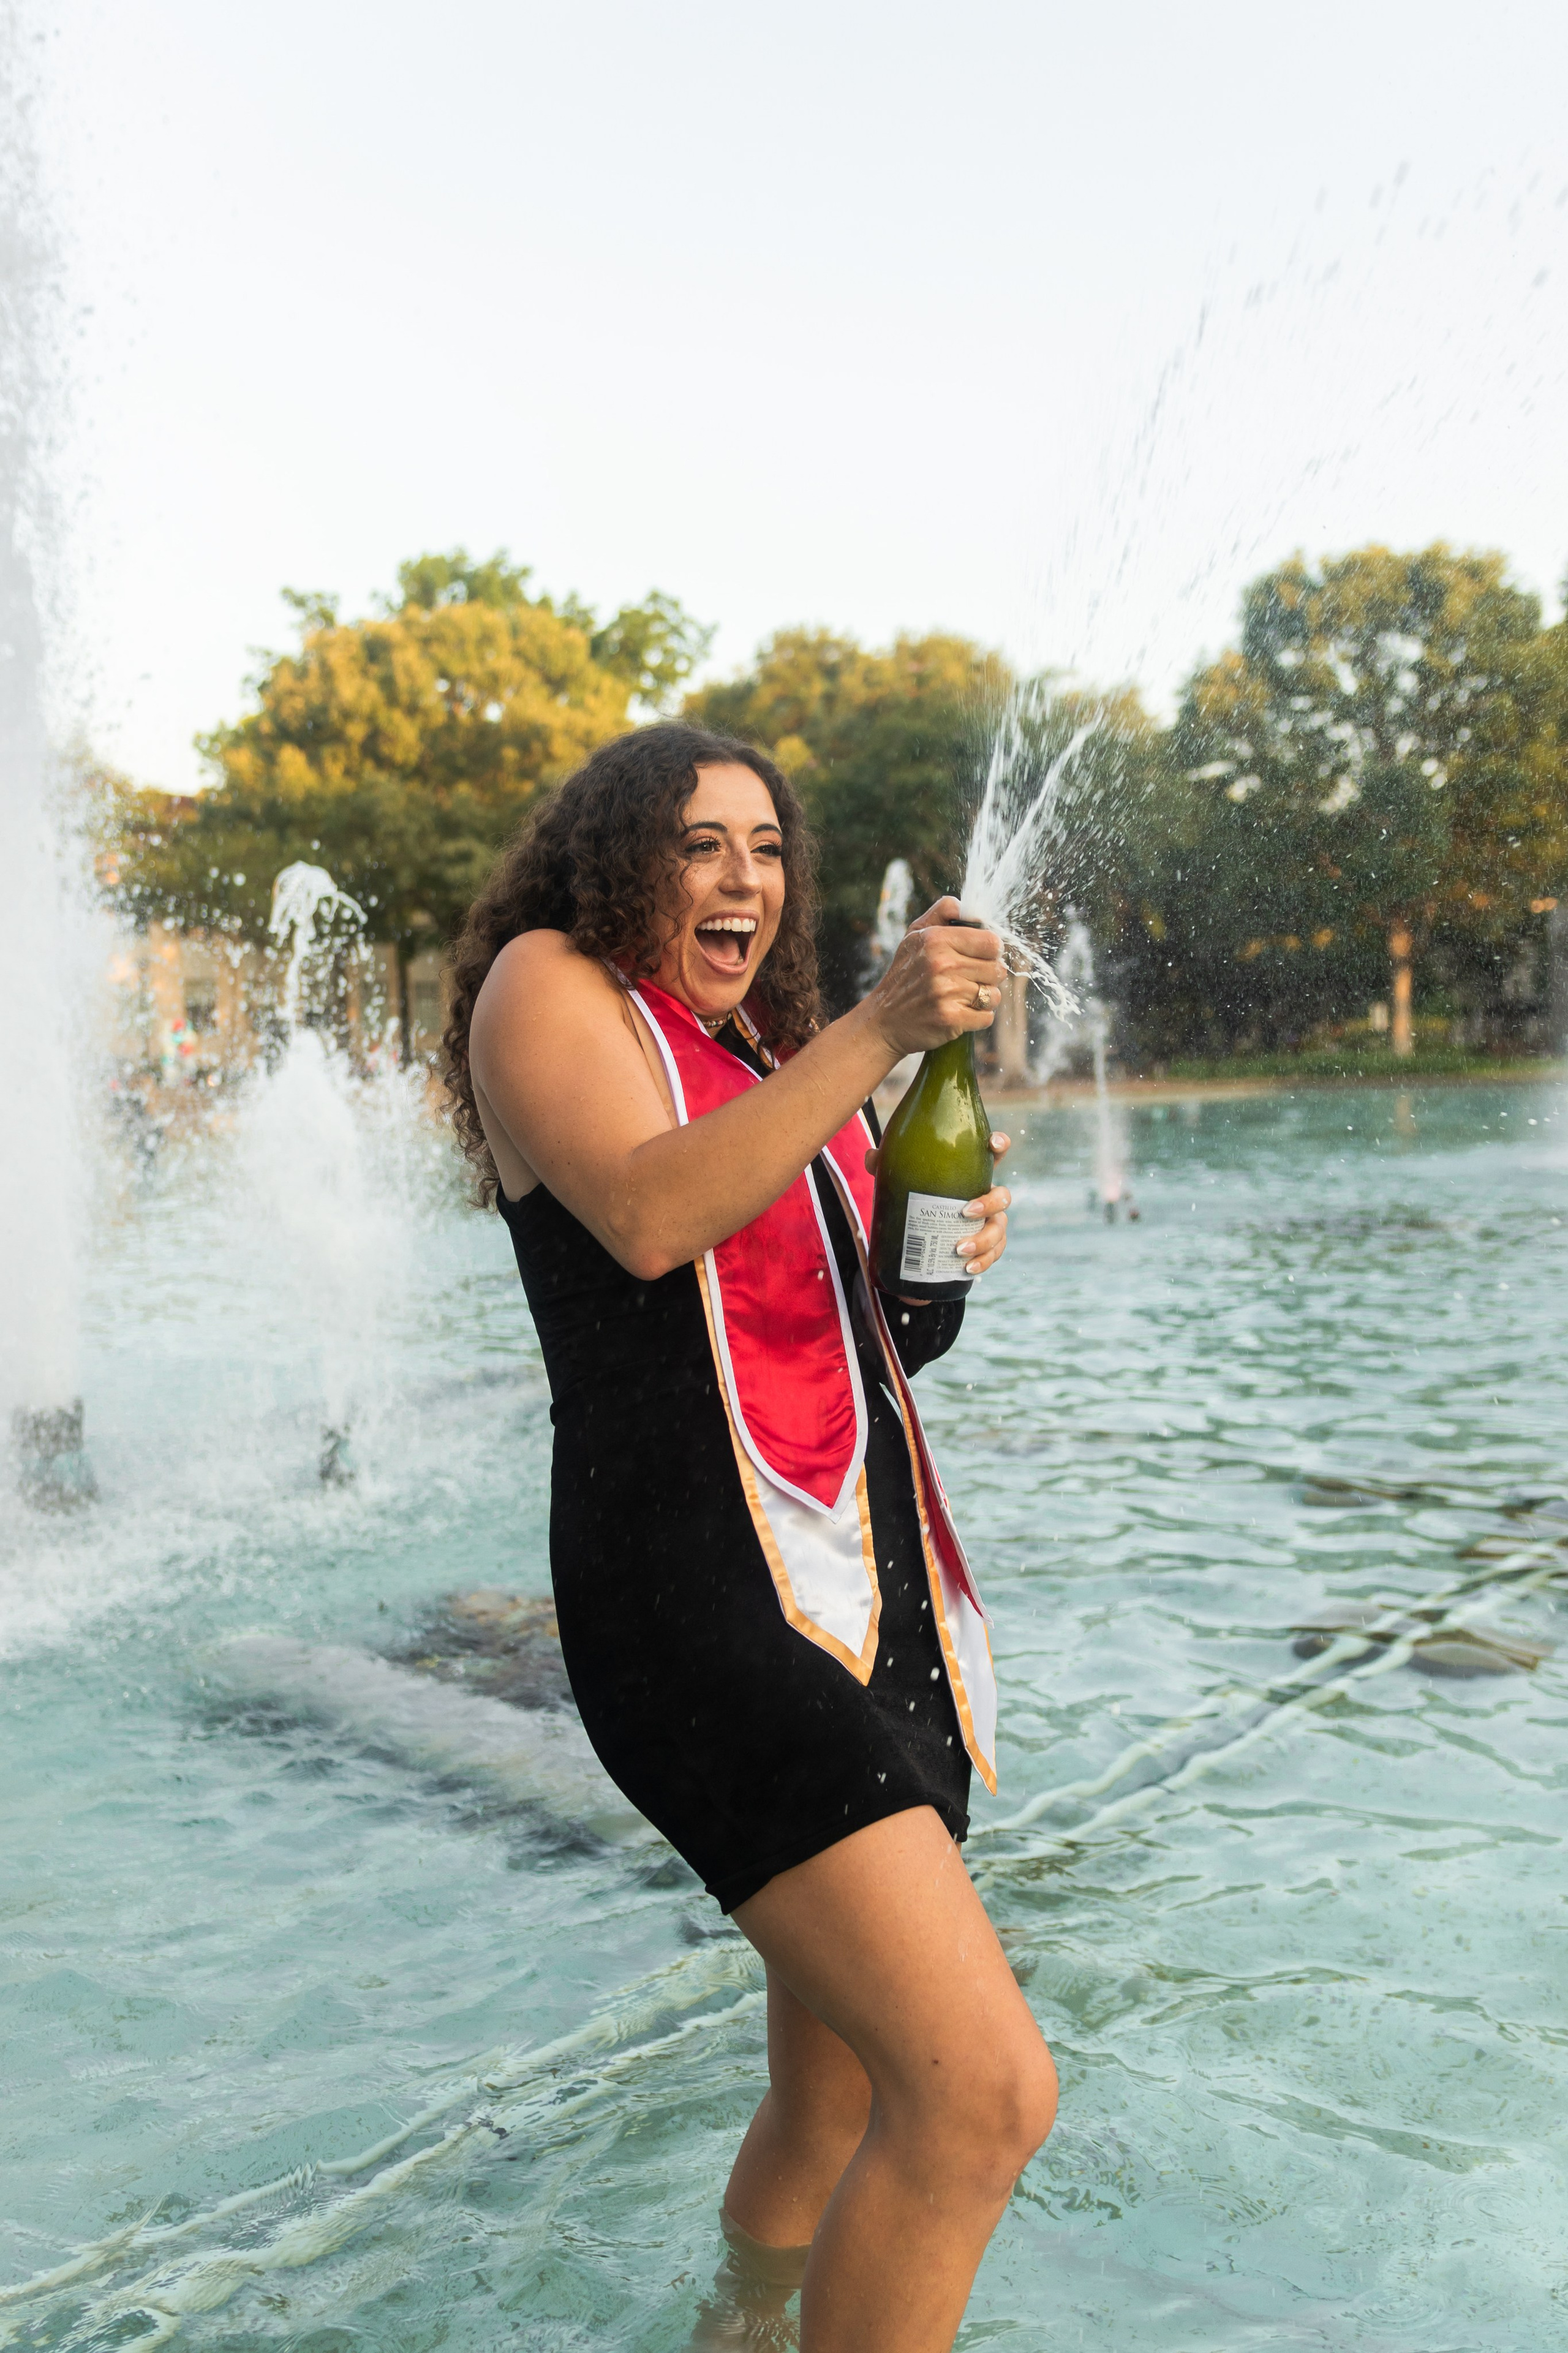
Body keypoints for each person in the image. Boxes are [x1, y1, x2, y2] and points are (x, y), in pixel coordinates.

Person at [444, 723, 1057, 2352]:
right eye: (704, 842)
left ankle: (734, 2334)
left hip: (862, 1593)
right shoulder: (545, 987)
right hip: (700, 1599)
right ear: (620, 858)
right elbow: (648, 1216)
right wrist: (872, 1031)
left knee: (839, 2093)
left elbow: (861, 1349)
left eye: (769, 847)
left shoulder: (760, 1064)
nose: (747, 878)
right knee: (984, 2093)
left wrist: (943, 1248)